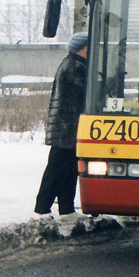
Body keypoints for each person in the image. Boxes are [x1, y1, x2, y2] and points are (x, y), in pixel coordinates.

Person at [34, 32, 88, 218]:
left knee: (69, 169)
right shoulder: (75, 67)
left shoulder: (74, 64)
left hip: (68, 128)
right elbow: (88, 89)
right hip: (66, 128)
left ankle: (66, 208)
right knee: (56, 170)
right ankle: (42, 209)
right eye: (89, 47)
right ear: (81, 48)